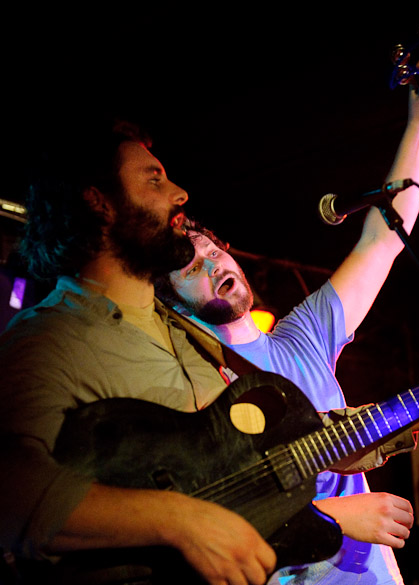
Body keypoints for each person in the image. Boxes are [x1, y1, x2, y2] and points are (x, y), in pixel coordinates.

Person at [162, 60, 419, 585]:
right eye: (191, 268)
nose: (214, 264)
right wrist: (336, 517)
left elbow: (383, 239)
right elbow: (200, 514)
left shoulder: (303, 335)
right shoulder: (183, 379)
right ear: (169, 300)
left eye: (212, 250)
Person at [0, 121, 277, 585]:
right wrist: (178, 519)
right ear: (99, 202)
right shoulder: (47, 337)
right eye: (154, 179)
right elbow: (10, 491)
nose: (180, 193)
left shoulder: (192, 337)